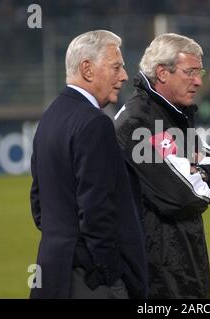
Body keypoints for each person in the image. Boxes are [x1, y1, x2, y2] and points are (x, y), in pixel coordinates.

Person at [30, 30, 147, 299]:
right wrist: (109, 274)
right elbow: (97, 211)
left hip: (51, 273)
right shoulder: (95, 123)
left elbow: (39, 204)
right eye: (116, 67)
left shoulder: (50, 117)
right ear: (87, 69)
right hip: (90, 281)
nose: (124, 76)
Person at [114, 33, 210, 298]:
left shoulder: (174, 113)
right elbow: (186, 195)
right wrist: (201, 173)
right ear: (162, 73)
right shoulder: (137, 122)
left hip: (185, 262)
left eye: (199, 72)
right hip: (157, 273)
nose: (198, 81)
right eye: (190, 72)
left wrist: (196, 172)